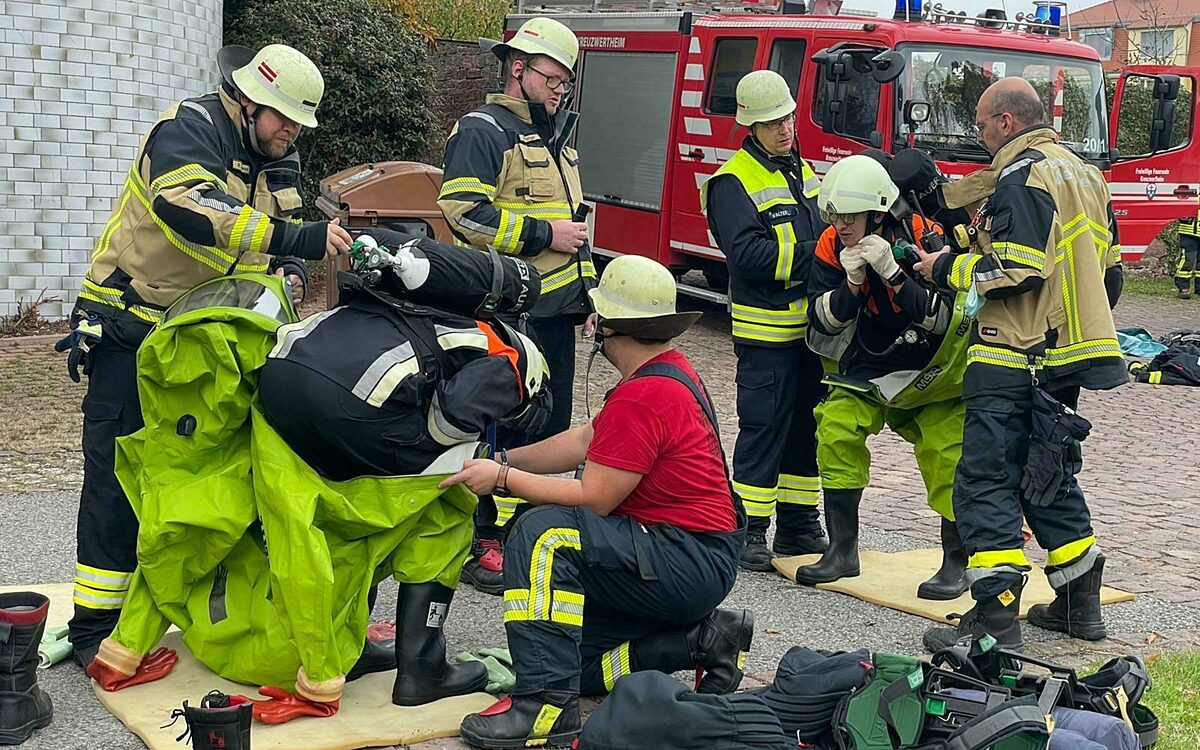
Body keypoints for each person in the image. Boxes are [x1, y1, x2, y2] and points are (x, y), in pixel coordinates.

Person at [54, 43, 351, 666]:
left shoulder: (277, 154)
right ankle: (93, 631)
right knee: (116, 478)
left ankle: (178, 605)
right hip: (130, 327)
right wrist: (297, 239)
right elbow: (188, 209)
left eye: (299, 122)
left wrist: (292, 263)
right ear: (246, 99)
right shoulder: (188, 127)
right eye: (281, 117)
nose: (290, 132)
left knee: (200, 474)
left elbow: (285, 227)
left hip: (199, 340)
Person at [442, 255, 751, 750]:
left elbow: (596, 497)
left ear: (606, 326)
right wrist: (500, 458)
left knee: (543, 534)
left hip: (684, 558)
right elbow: (586, 441)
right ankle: (704, 641)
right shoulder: (664, 372)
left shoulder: (644, 396)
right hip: (690, 556)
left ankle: (544, 708)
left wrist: (502, 478)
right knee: (577, 664)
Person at [915, 78, 1126, 651]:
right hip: (1065, 358)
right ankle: (1081, 605)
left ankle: (996, 618)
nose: (979, 136)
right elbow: (1111, 276)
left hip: (1012, 353)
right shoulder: (1086, 175)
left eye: (982, 125)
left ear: (1006, 122)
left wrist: (944, 268)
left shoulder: (1021, 176)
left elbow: (1016, 267)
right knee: (1047, 475)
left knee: (985, 480)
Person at [438, 16, 597, 594]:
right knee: (498, 422)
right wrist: (542, 236)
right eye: (553, 79)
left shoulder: (555, 136)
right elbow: (463, 215)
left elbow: (574, 225)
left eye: (565, 83)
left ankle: (524, 530)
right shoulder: (484, 131)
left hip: (553, 316)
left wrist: (591, 294)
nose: (560, 91)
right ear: (518, 69)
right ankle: (483, 538)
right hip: (504, 310)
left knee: (545, 427)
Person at [795, 153, 969, 601]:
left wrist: (895, 277)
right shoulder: (831, 244)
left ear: (876, 211)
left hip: (930, 366)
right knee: (835, 429)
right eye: (833, 215)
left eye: (849, 216)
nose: (841, 225)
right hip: (870, 362)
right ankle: (842, 551)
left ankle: (955, 563)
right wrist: (850, 288)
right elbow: (820, 320)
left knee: (948, 451)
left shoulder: (922, 235)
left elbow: (941, 318)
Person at [699, 69, 828, 572]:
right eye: (773, 122)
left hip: (811, 333)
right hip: (766, 334)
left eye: (789, 117)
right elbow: (747, 255)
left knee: (805, 430)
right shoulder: (732, 182)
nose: (785, 128)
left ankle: (798, 524)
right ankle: (749, 529)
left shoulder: (801, 170)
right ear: (750, 126)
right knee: (762, 429)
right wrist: (819, 257)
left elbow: (825, 227)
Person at [1176, 196, 1199, 299]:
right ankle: (1183, 287)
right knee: (1188, 259)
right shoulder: (1191, 190)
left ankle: (1199, 289)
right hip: (1188, 232)